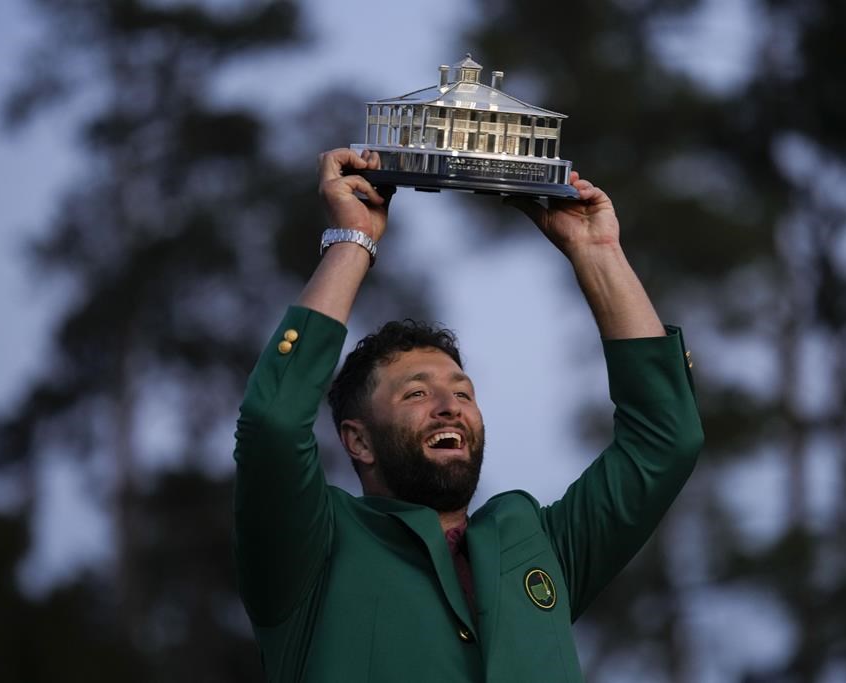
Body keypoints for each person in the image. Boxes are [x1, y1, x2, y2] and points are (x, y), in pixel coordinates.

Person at [233, 148, 703, 682]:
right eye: (415, 394)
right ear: (357, 441)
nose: (448, 405)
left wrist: (597, 251)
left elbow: (665, 440)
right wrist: (352, 240)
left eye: (463, 392)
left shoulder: (537, 543)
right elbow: (272, 422)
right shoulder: (311, 549)